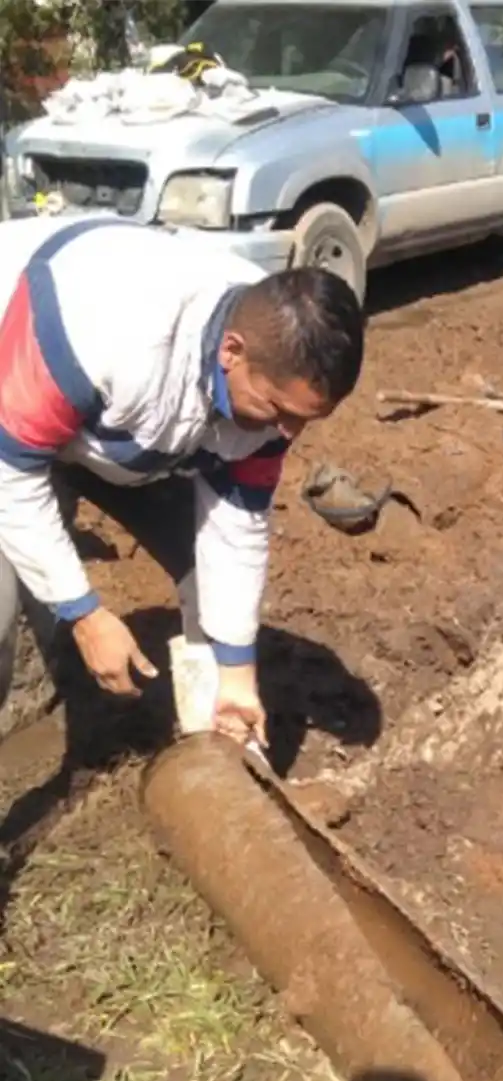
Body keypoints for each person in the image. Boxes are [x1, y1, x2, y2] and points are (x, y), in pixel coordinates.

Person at [0, 214, 364, 747]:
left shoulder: (268, 377)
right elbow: (12, 474)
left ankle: (212, 749)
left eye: (307, 418)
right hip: (16, 396)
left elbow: (237, 526)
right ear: (231, 352)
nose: (289, 433)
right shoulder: (102, 332)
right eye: (279, 410)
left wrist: (237, 673)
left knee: (205, 581)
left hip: (114, 427)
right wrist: (85, 614)